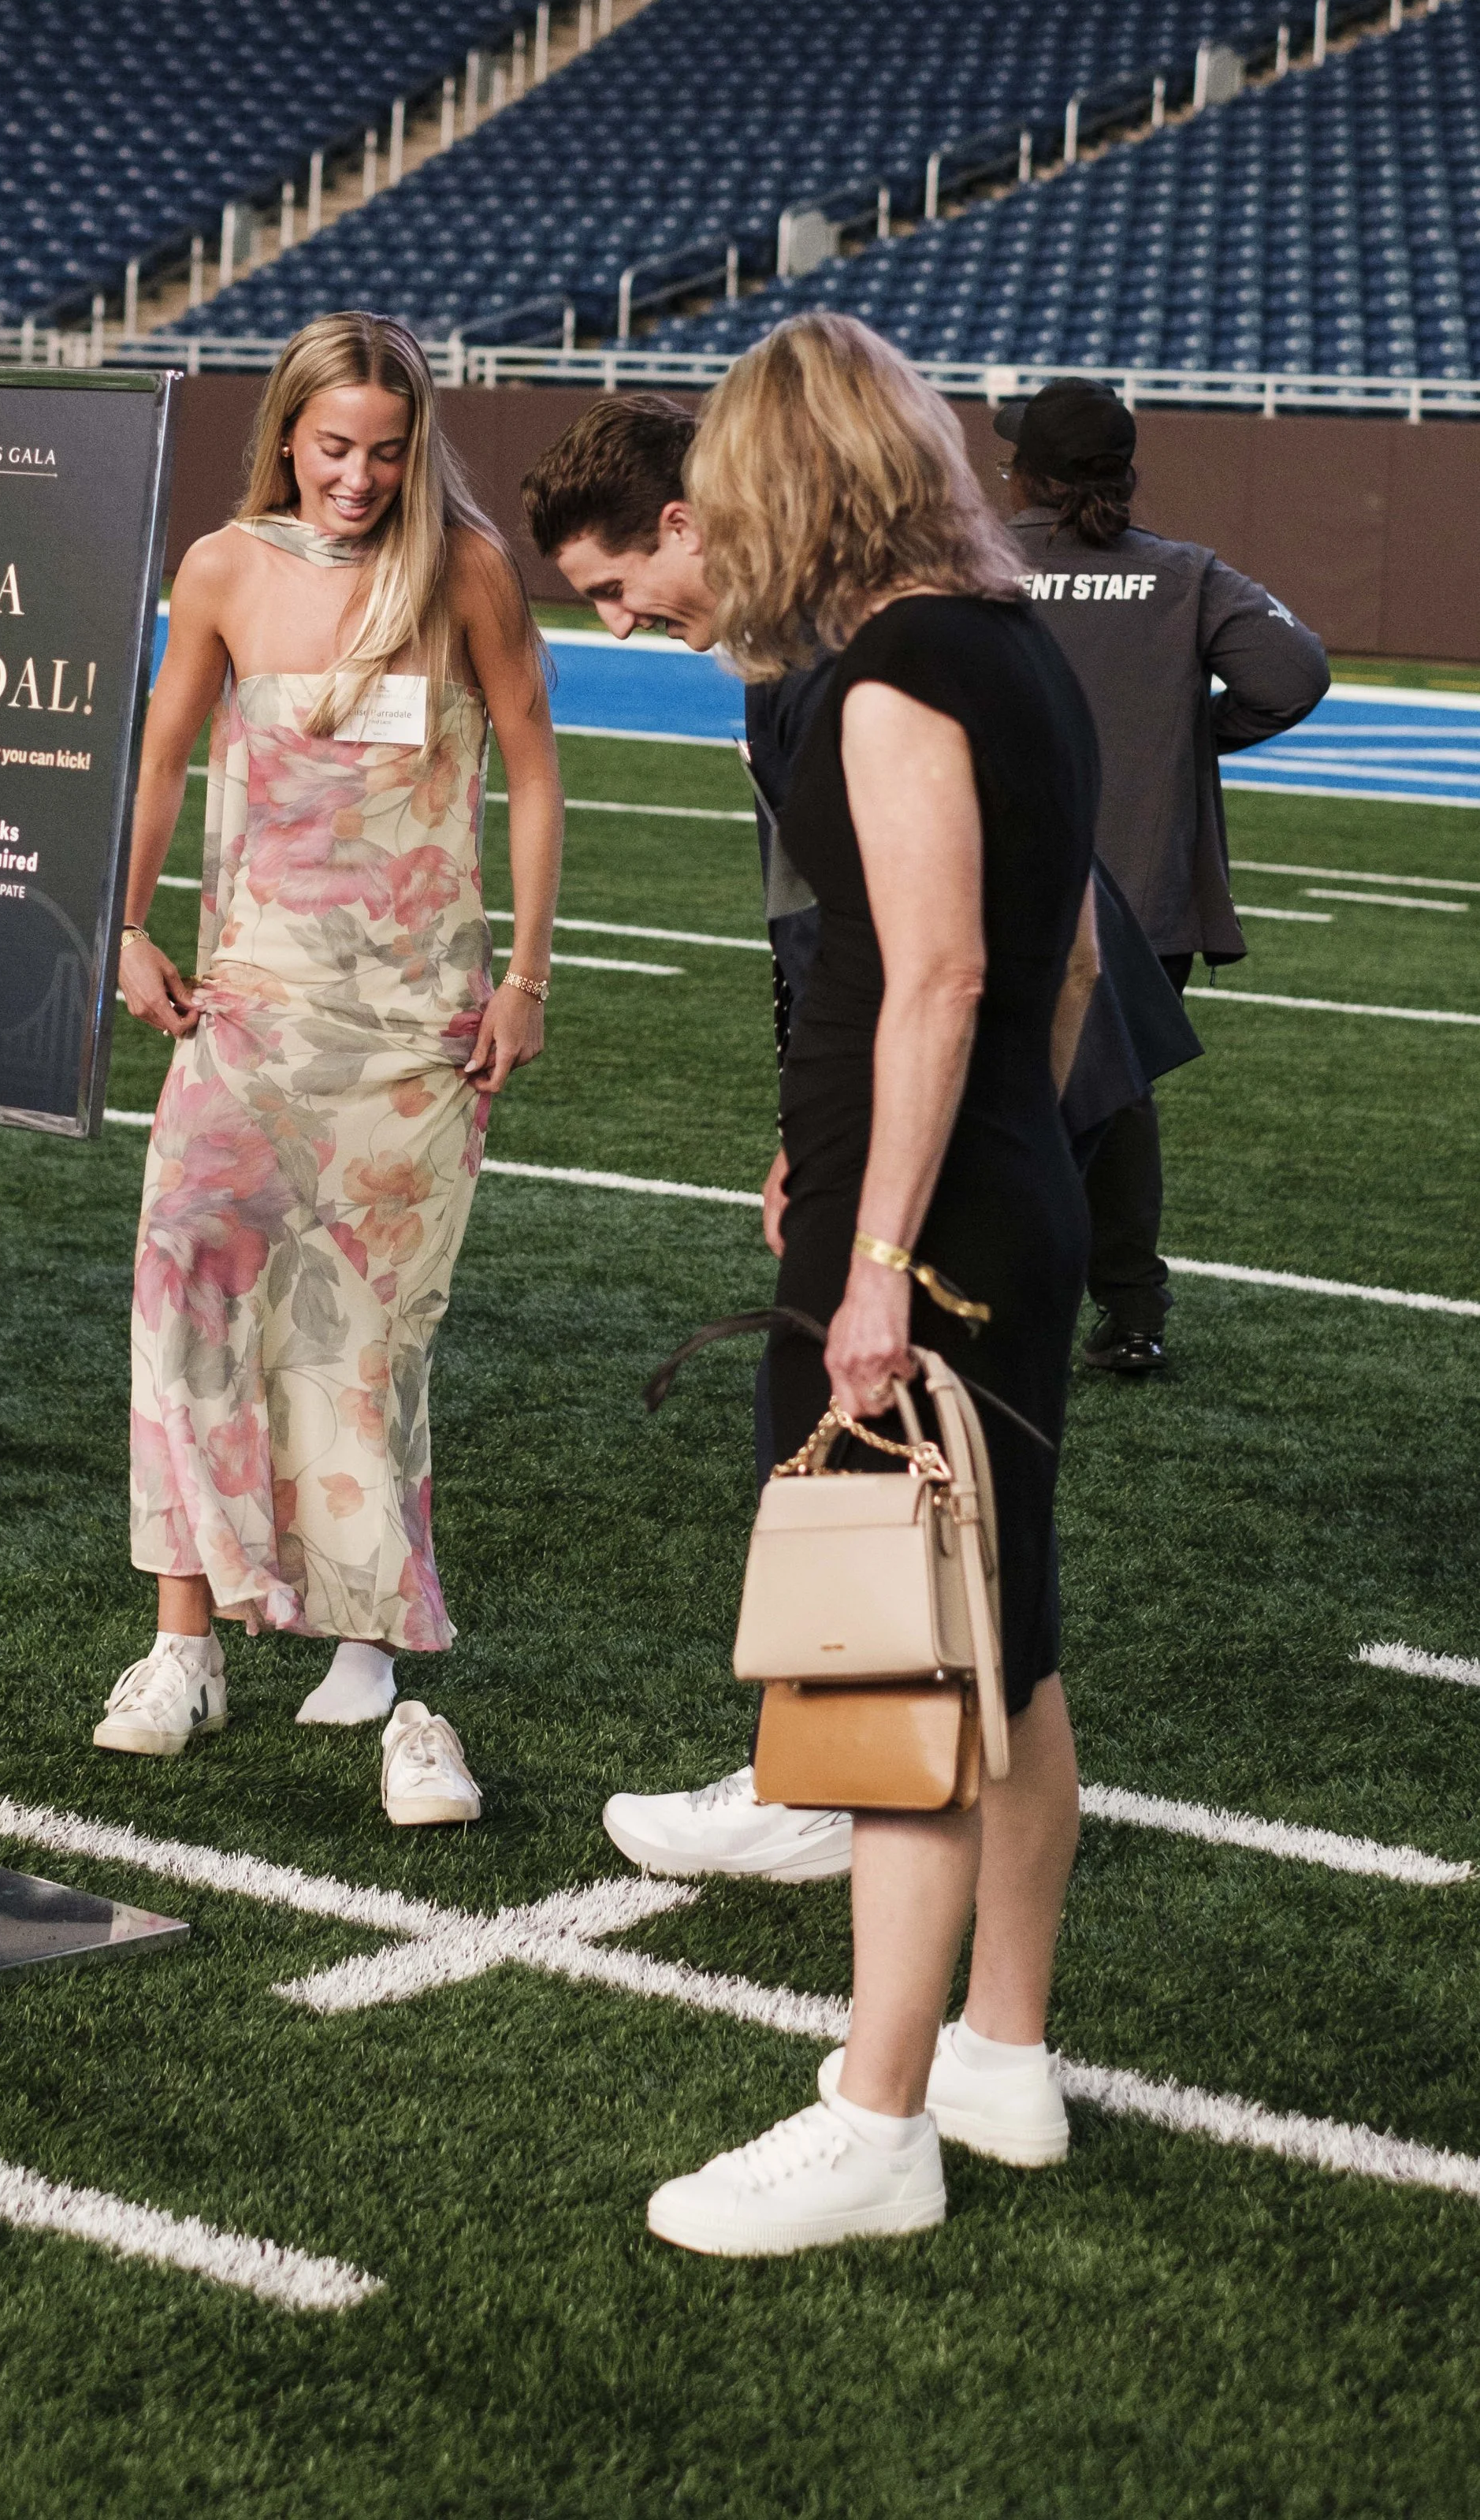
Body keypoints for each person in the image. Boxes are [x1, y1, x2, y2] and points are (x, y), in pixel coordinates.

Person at [558, 313, 1102, 2252]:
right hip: (1006, 1189)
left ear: (787, 475)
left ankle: (876, 2114)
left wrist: (878, 1247)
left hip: (933, 1227)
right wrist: (970, 1172)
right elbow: (1061, 977)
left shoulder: (890, 670)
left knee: (898, 1661)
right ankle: (1001, 2052)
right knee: (1006, 1636)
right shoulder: (1021, 650)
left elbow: (941, 972)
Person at [529, 389, 1192, 1903]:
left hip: (944, 1119)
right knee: (998, 1582)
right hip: (990, 1105)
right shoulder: (979, 627)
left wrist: (871, 1205)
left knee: (871, 1499)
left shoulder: (858, 661)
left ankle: (828, 1790)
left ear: (700, 515)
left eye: (618, 589)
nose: (623, 627)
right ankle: (957, 1983)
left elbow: (900, 957)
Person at [101, 312, 564, 1825]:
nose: (358, 476)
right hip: (247, 1008)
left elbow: (537, 767)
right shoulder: (225, 570)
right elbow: (165, 754)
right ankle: (186, 1645)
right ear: (287, 437)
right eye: (331, 446)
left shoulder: (471, 572)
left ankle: (374, 1651)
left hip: (418, 1036)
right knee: (188, 1286)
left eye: (384, 449)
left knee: (369, 1336)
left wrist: (528, 978)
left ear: (416, 443)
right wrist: (121, 926)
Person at [998, 377, 1329, 1374]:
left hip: (998, 884)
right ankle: (1132, 1312)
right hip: (1143, 896)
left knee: (991, 1099)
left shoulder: (972, 568)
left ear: (1020, 473)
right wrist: (1194, 737)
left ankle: (993, 1300)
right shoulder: (1185, 574)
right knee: (1115, 1101)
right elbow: (1294, 673)